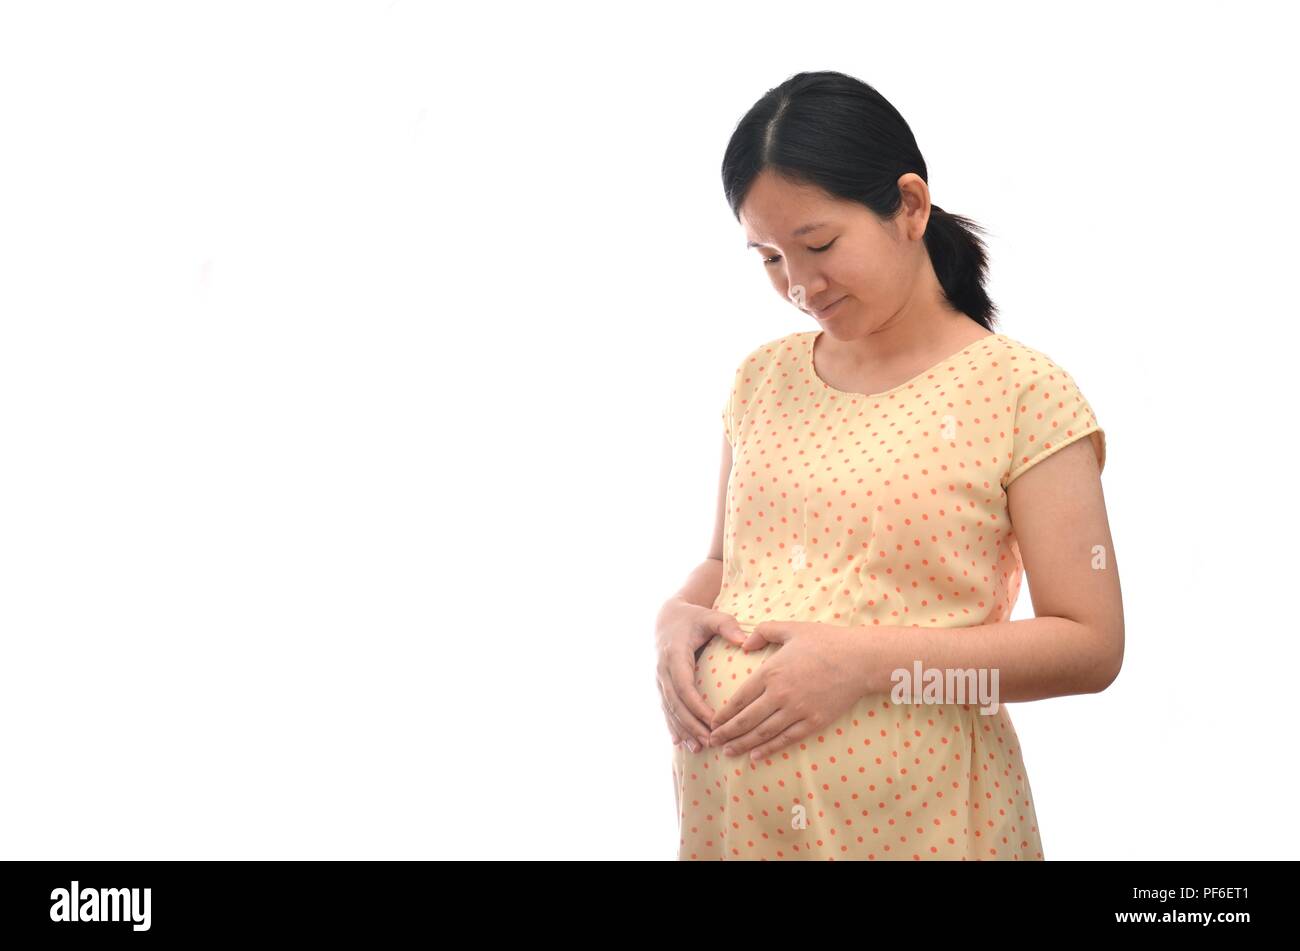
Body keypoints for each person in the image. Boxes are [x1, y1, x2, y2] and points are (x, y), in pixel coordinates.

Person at [655, 70, 1124, 860]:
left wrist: (869, 666)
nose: (800, 285)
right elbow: (726, 562)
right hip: (742, 830)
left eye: (818, 244)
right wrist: (674, 615)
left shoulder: (1021, 393)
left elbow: (1091, 645)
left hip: (926, 827)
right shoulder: (760, 380)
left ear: (909, 204)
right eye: (769, 256)